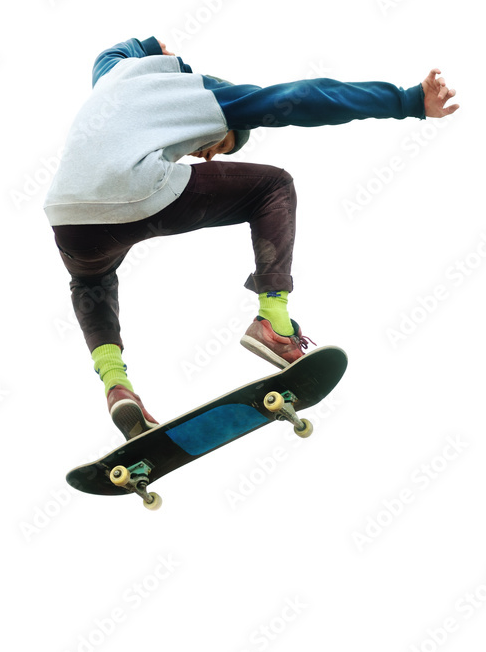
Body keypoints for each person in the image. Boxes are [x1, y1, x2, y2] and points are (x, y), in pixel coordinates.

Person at [44, 35, 459, 439]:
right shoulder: (209, 96)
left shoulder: (115, 72)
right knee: (273, 186)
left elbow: (114, 49)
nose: (201, 154)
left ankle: (117, 385)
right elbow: (306, 96)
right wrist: (406, 102)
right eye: (217, 145)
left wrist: (152, 47)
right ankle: (274, 323)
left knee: (90, 280)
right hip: (136, 189)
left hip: (66, 214)